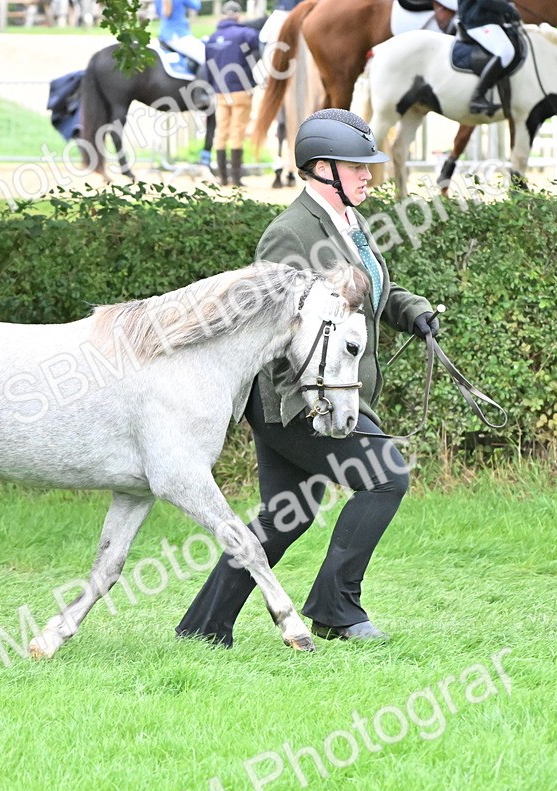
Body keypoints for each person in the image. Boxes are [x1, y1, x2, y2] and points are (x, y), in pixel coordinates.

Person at [176, 109, 440, 648]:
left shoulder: (348, 221)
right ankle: (336, 608)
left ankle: (203, 628)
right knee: (387, 476)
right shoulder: (289, 235)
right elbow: (269, 326)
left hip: (320, 399)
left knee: (285, 516)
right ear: (323, 168)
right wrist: (313, 405)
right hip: (293, 404)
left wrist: (408, 309)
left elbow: (358, 294)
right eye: (357, 166)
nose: (369, 175)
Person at [205, 1, 261, 186]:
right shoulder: (245, 33)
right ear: (238, 15)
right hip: (240, 89)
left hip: (220, 91)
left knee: (221, 132)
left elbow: (208, 66)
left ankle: (222, 178)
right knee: (237, 132)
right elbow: (259, 42)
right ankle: (236, 179)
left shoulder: (212, 38)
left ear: (223, 15)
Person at [455, 0, 522, 116]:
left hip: (489, 19)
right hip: (477, 20)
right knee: (505, 52)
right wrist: (509, 9)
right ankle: (477, 97)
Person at [155, 0, 205, 67]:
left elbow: (159, 12)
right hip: (178, 35)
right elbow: (196, 5)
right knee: (206, 55)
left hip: (164, 35)